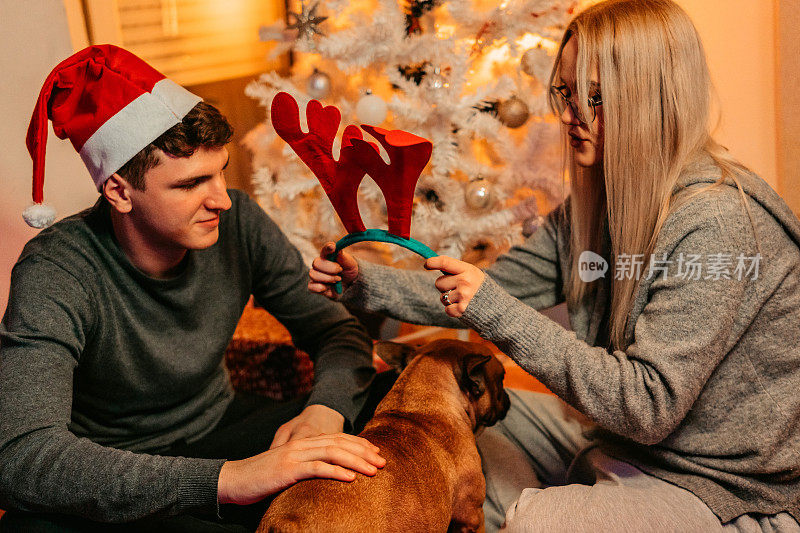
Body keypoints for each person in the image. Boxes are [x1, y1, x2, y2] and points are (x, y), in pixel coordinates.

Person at [310, 0, 800, 531]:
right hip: (620, 448)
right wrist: (366, 284)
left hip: (725, 488)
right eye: (564, 93)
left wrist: (496, 311)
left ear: (650, 100)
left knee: (538, 523)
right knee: (448, 441)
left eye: (593, 97)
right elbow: (484, 290)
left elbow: (646, 405)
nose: (568, 115)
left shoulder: (716, 222)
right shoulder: (599, 205)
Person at [0, 45, 390, 532]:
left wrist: (324, 413)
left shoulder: (238, 221)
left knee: (390, 396)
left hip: (224, 429)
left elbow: (336, 330)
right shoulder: (56, 269)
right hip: (118, 474)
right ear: (119, 191)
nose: (222, 199)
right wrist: (229, 481)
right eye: (191, 184)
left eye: (221, 171)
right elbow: (22, 454)